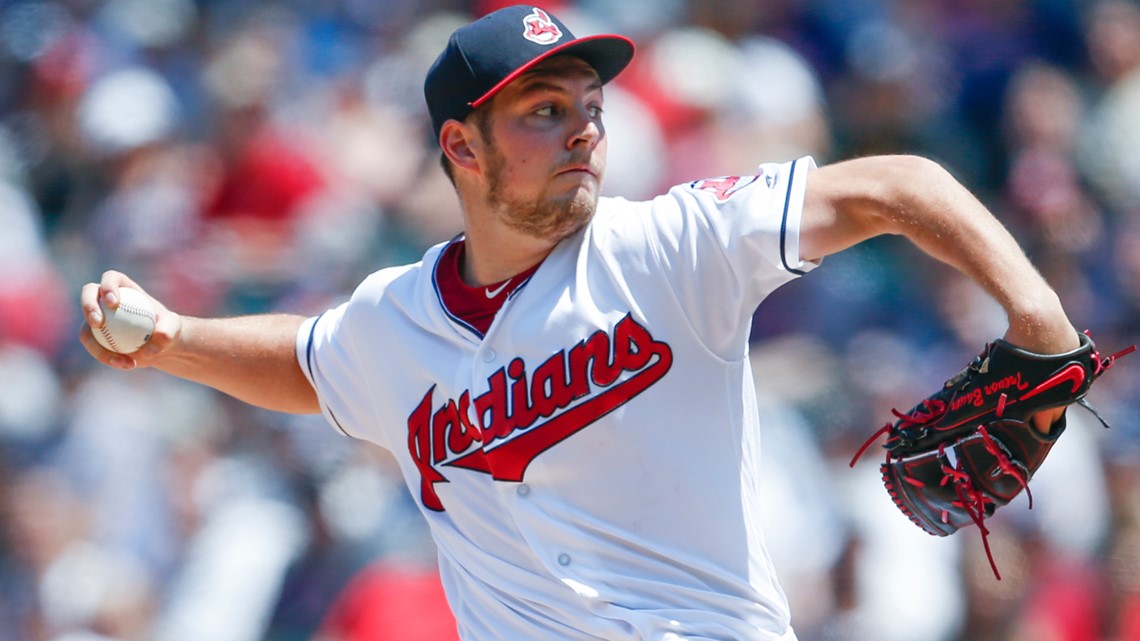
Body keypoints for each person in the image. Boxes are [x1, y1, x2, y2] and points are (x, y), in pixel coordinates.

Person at [80, 5, 1081, 640]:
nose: (584, 128)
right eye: (543, 110)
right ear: (462, 148)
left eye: (589, 104)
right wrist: (173, 339)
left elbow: (899, 183)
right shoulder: (393, 318)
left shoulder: (672, 242)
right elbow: (307, 361)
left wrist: (1038, 316)